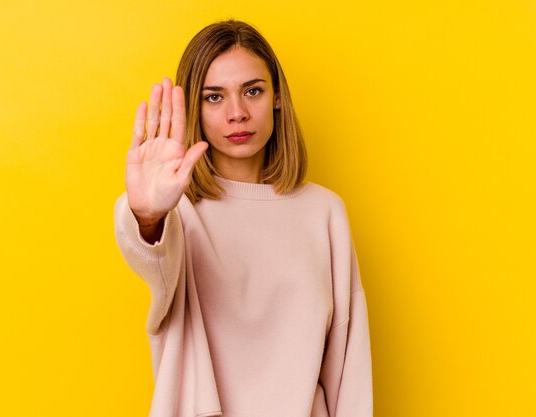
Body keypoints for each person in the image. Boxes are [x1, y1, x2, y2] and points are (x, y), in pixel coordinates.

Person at [114, 19, 372, 417]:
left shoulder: (324, 212)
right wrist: (147, 212)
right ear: (194, 109)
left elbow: (349, 363)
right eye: (214, 97)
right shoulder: (177, 214)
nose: (237, 113)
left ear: (276, 97)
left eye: (252, 91)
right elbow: (148, 251)